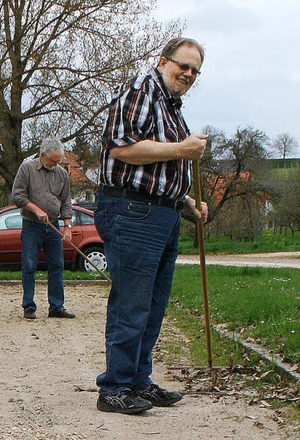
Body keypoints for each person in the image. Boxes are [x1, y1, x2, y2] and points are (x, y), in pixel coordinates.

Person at [95, 37, 209, 414]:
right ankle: (115, 387)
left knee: (153, 304)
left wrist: (188, 203)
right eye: (184, 65)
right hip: (132, 212)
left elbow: (158, 173)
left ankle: (139, 381)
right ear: (164, 60)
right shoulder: (141, 88)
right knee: (133, 302)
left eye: (195, 70)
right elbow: (119, 147)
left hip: (162, 212)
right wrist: (183, 149)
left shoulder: (170, 107)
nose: (189, 74)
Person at [11, 137, 75, 320]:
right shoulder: (27, 169)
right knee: (29, 265)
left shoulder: (62, 174)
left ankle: (56, 306)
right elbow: (17, 196)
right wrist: (36, 210)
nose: (55, 164)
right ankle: (29, 307)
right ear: (42, 155)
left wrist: (67, 226)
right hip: (32, 225)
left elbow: (66, 202)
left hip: (53, 225)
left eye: (58, 161)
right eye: (52, 161)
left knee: (57, 265)